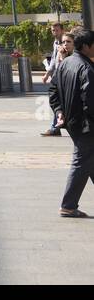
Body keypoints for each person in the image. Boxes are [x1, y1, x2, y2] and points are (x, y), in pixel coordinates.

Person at [49, 29, 94, 216]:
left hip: (73, 123)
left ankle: (69, 204)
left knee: (88, 160)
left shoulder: (66, 63)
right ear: (86, 46)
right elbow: (90, 100)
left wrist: (59, 112)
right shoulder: (86, 68)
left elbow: (53, 90)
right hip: (86, 124)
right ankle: (68, 205)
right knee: (81, 162)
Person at [42, 32, 74, 137]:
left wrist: (63, 59)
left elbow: (71, 70)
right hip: (60, 82)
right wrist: (48, 74)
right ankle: (55, 127)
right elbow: (54, 63)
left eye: (68, 42)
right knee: (58, 102)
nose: (65, 44)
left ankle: (56, 127)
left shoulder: (77, 57)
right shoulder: (59, 49)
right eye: (64, 42)